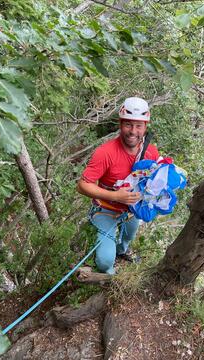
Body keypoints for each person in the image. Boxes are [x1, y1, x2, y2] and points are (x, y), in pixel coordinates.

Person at [77, 97, 159, 274]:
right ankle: (109, 274)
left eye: (139, 126)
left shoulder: (150, 152)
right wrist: (116, 196)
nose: (133, 131)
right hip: (106, 209)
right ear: (120, 124)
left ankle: (121, 251)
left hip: (133, 209)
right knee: (105, 262)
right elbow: (83, 185)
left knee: (128, 236)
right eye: (128, 125)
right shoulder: (106, 153)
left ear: (145, 127)